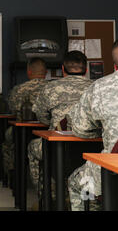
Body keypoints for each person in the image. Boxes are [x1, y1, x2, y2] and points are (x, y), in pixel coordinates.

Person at [67, 36, 118, 211]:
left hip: (114, 173)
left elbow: (80, 128)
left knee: (77, 184)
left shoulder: (99, 87)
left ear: (115, 67)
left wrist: (101, 131)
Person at [27, 51, 93, 204]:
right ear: (87, 69)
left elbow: (41, 117)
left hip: (58, 148)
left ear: (63, 69)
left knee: (33, 147)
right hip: (91, 148)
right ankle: (88, 201)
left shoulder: (51, 88)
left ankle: (49, 197)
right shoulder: (96, 87)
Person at [2, 58, 48, 176]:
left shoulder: (19, 89)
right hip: (49, 133)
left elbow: (12, 110)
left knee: (8, 137)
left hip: (23, 133)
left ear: (29, 72)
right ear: (46, 72)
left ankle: (12, 175)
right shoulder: (53, 88)